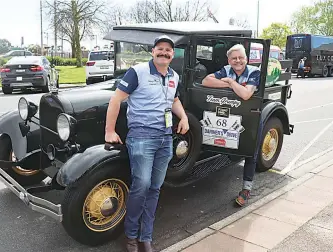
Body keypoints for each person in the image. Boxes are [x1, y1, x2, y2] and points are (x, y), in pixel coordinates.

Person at [105, 35, 189, 252]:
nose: (164, 52)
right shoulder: (138, 72)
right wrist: (110, 130)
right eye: (160, 49)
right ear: (153, 52)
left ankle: (146, 237)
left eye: (168, 50)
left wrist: (184, 117)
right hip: (142, 137)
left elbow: (175, 100)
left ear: (172, 54)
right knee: (141, 186)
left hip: (165, 138)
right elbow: (116, 99)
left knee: (155, 188)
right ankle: (131, 236)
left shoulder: (173, 76)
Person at [201, 44, 262, 207]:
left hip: (249, 116)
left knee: (250, 151)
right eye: (234, 58)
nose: (238, 61)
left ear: (246, 59)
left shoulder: (254, 72)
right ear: (229, 60)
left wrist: (231, 82)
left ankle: (246, 189)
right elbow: (206, 81)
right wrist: (229, 83)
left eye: (241, 57)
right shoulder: (226, 70)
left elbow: (246, 94)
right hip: (231, 113)